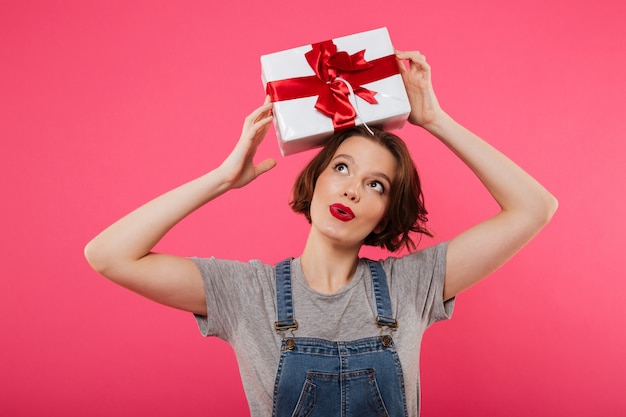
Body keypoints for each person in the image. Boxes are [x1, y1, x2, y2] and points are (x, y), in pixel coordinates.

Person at [84, 50, 558, 416]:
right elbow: (109, 255)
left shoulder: (411, 286)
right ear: (314, 181)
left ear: (386, 212)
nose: (353, 189)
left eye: (376, 185)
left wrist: (434, 119)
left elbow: (534, 208)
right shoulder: (248, 293)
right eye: (342, 168)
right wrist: (222, 178)